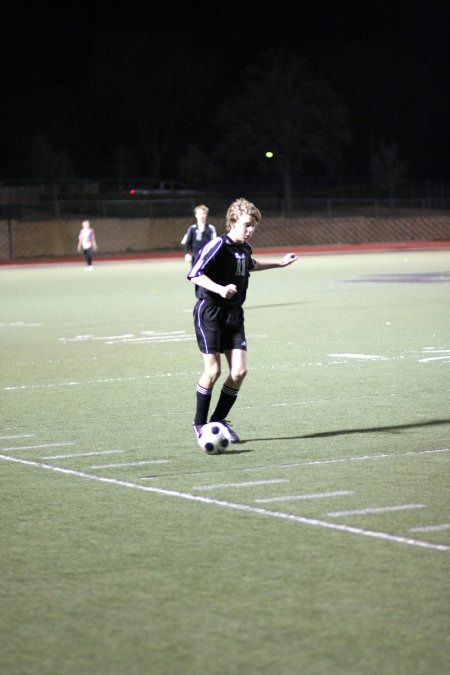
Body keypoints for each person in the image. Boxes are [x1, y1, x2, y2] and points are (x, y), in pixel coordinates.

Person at [187, 197, 298, 445]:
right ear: (232, 222)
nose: (250, 230)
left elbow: (250, 265)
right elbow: (194, 274)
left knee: (239, 372)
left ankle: (216, 422)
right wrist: (218, 288)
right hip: (211, 311)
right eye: (247, 225)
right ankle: (199, 424)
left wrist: (279, 263)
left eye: (253, 227)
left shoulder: (245, 249)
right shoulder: (217, 245)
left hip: (234, 314)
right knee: (213, 371)